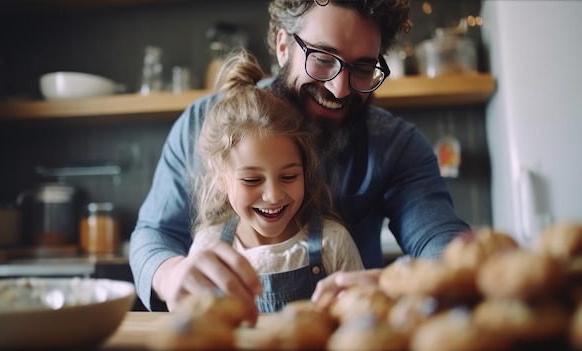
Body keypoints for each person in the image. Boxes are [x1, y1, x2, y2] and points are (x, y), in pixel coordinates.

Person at [129, 0, 470, 321]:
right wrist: (170, 274)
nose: (340, 89)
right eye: (322, 58)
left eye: (363, 68)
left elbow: (444, 245)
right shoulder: (204, 124)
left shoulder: (398, 146)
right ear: (282, 46)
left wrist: (395, 289)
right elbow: (154, 233)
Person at [188, 50, 364, 314]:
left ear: (306, 170)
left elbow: (361, 324)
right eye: (251, 179)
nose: (273, 195)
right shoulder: (208, 248)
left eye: (289, 176)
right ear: (221, 178)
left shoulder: (334, 243)